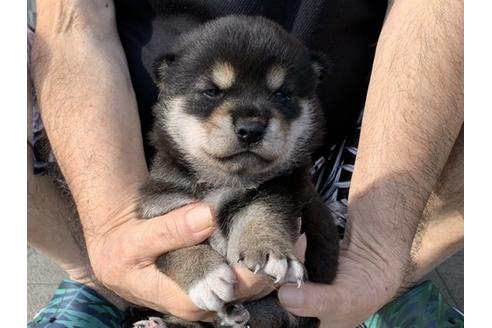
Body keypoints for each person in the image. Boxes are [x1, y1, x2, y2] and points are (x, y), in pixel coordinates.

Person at [28, 0, 463, 327]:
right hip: (119, 152)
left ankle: (391, 281)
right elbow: (70, 23)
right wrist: (109, 230)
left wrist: (379, 252)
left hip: (367, 151)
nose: (250, 122)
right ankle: (96, 282)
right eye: (213, 93)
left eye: (281, 95)